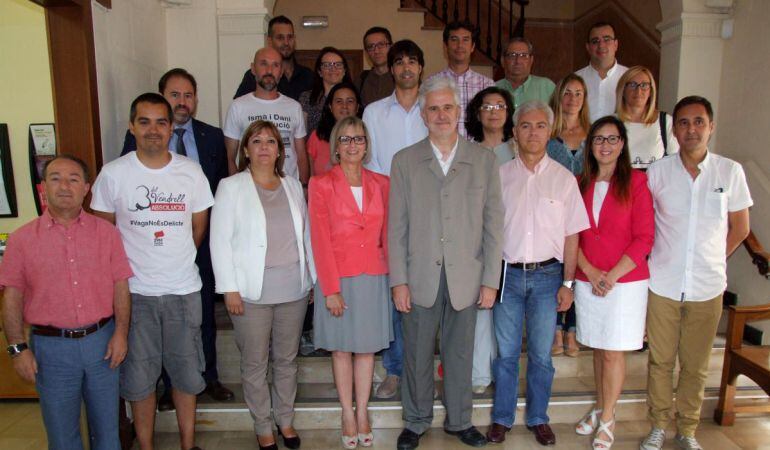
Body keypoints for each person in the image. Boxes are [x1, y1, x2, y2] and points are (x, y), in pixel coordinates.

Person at [91, 93, 215, 450]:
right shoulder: (114, 174)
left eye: (161, 122)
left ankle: (187, 444)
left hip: (183, 291)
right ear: (132, 126)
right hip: (135, 296)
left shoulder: (189, 172)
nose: (153, 130)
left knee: (187, 376)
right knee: (140, 380)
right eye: (143, 122)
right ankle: (145, 446)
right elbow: (104, 238)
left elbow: (197, 229)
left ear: (171, 126)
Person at [389, 76, 503, 450]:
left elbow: (493, 224)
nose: (441, 115)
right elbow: (396, 226)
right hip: (420, 274)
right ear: (423, 115)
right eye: (433, 108)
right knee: (417, 353)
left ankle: (460, 420)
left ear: (459, 112)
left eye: (448, 108)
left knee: (460, 353)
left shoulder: (484, 161)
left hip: (466, 276)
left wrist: (490, 280)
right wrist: (398, 281)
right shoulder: (404, 161)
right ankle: (417, 420)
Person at [640, 96, 752, 450]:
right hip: (663, 283)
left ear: (711, 126)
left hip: (707, 286)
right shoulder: (657, 172)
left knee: (695, 364)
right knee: (660, 361)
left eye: (699, 121)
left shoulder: (729, 172)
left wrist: (713, 258)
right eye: (684, 123)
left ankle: (687, 429)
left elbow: (740, 228)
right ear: (674, 130)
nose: (691, 129)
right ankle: (658, 424)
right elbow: (645, 224)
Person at [0, 155, 132, 450]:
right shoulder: (22, 240)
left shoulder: (106, 233)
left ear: (86, 188)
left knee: (108, 433)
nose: (64, 186)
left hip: (102, 343)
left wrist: (121, 333)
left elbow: (120, 286)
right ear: (43, 187)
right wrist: (17, 348)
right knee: (62, 437)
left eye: (73, 179)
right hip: (52, 350)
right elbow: (12, 296)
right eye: (55, 178)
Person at [121, 68, 233, 409]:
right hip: (155, 248)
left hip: (201, 239)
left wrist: (194, 243)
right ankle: (169, 386)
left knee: (202, 314)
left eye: (188, 95)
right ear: (163, 99)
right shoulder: (142, 137)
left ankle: (208, 376)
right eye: (175, 95)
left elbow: (222, 185)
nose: (182, 101)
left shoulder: (212, 136)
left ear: (195, 100)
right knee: (163, 323)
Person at [487, 100, 589, 446]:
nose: (533, 132)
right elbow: (489, 233)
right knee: (506, 353)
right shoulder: (499, 177)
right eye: (525, 126)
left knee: (542, 356)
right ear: (514, 133)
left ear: (550, 132)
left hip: (549, 277)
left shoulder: (564, 180)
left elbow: (572, 235)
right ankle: (501, 418)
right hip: (507, 276)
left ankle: (537, 417)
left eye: (540, 126)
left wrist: (568, 283)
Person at [209, 120, 315, 450]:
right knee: (255, 363)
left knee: (286, 360)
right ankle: (263, 426)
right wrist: (229, 288)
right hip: (250, 293)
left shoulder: (293, 185)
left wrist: (310, 278)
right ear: (245, 149)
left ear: (281, 150)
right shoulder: (231, 186)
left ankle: (285, 420)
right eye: (257, 141)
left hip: (293, 290)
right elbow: (219, 241)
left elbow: (306, 236)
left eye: (272, 141)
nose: (265, 147)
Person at [309, 116, 392, 449]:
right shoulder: (321, 184)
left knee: (367, 349)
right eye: (345, 139)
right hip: (338, 277)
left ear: (367, 144)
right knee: (342, 349)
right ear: (335, 146)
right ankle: (347, 412)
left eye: (358, 139)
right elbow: (319, 239)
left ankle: (363, 412)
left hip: (374, 276)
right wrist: (330, 289)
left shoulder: (382, 183)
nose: (353, 145)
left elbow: (387, 236)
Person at [572, 116, 654, 450]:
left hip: (625, 282)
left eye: (612, 139)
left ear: (622, 144)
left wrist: (611, 276)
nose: (605, 145)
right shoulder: (580, 182)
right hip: (588, 278)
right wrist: (591, 272)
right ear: (590, 146)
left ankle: (608, 417)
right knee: (597, 345)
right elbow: (571, 234)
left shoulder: (636, 182)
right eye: (598, 139)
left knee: (612, 353)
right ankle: (600, 403)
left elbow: (644, 237)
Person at [363, 39, 429, 400]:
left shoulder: (432, 108)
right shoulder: (374, 113)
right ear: (390, 68)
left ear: (421, 67)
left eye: (412, 61)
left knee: (425, 295)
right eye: (399, 61)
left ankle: (422, 370)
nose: (405, 67)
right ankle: (394, 369)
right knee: (394, 295)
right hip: (388, 214)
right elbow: (371, 167)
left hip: (430, 214)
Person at [546, 73, 591, 356]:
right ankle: (555, 330)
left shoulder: (593, 134)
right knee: (556, 268)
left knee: (576, 269)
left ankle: (572, 330)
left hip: (585, 209)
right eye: (567, 92)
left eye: (578, 93)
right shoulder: (548, 134)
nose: (572, 99)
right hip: (554, 211)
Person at [224, 47, 309, 182]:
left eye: (275, 65)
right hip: (250, 189)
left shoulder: (294, 107)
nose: (269, 71)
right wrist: (236, 187)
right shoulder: (238, 107)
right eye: (264, 64)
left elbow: (302, 155)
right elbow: (229, 157)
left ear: (281, 72)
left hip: (288, 188)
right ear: (253, 68)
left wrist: (303, 187)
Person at [426, 20, 494, 137]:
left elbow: (491, 124)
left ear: (472, 47)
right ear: (445, 46)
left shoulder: (487, 85)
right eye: (454, 39)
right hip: (441, 152)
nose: (460, 45)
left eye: (465, 40)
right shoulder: (431, 83)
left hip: (476, 152)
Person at [234, 15, 314, 101]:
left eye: (290, 37)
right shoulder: (256, 75)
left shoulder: (308, 76)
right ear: (269, 41)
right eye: (280, 38)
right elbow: (240, 106)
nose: (286, 43)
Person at [615, 66, 679, 170]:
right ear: (622, 89)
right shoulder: (610, 122)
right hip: (621, 184)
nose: (638, 90)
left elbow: (675, 161)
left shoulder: (665, 121)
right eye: (632, 85)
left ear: (651, 91)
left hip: (656, 185)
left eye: (644, 85)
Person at [576, 22, 628, 122]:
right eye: (595, 41)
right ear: (588, 47)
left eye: (607, 39)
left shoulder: (629, 78)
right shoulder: (576, 79)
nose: (601, 45)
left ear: (616, 44)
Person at [308, 81, 362, 177]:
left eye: (350, 101)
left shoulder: (364, 138)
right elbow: (311, 178)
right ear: (330, 107)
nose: (344, 106)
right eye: (339, 101)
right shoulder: (317, 137)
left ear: (357, 107)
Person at [299, 47, 353, 133]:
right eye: (327, 65)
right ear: (319, 72)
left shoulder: (353, 97)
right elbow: (301, 133)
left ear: (344, 70)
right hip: (314, 145)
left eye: (338, 64)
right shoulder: (307, 97)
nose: (333, 69)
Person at [495, 37, 555, 109]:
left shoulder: (547, 87)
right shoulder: (493, 88)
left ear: (531, 60)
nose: (518, 61)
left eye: (524, 55)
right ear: (502, 61)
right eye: (512, 55)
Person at [466, 86, 516, 167]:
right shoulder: (466, 151)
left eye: (500, 106)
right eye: (486, 107)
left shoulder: (519, 148)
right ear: (478, 115)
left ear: (507, 113)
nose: (494, 112)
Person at [358, 26, 394, 107]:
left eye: (381, 44)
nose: (376, 51)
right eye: (371, 46)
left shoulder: (403, 78)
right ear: (366, 52)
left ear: (391, 47)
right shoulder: (361, 81)